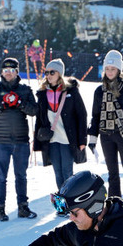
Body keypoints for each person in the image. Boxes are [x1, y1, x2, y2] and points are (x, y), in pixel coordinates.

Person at [87, 50, 123, 213]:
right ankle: (115, 207)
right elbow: (96, 115)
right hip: (106, 135)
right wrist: (92, 137)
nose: (110, 72)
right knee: (112, 174)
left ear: (119, 70)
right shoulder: (99, 91)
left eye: (113, 69)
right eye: (107, 69)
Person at [0, 58, 38, 221]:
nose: (8, 73)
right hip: (1, 140)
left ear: (16, 72)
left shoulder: (25, 90)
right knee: (1, 176)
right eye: (5, 71)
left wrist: (20, 103)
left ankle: (23, 207)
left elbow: (34, 110)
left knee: (21, 176)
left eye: (12, 70)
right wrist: (0, 104)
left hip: (21, 140)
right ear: (1, 72)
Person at [33, 58, 88, 192]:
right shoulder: (43, 93)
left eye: (52, 72)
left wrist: (82, 140)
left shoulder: (71, 92)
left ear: (60, 74)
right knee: (57, 171)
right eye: (47, 72)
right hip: (51, 139)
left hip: (67, 139)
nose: (49, 76)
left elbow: (82, 115)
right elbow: (39, 119)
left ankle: (71, 202)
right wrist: (37, 142)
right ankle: (62, 203)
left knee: (67, 171)